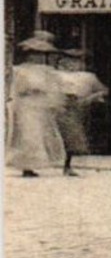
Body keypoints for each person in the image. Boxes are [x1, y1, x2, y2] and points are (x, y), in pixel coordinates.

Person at [6, 32, 68, 178]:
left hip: (41, 105)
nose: (38, 57)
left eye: (41, 54)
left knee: (42, 134)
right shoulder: (20, 70)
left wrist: (54, 102)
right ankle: (26, 166)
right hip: (26, 105)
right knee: (28, 134)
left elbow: (54, 88)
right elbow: (16, 88)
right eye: (35, 54)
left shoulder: (47, 71)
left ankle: (36, 164)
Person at [52, 53, 108, 177]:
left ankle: (67, 165)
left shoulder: (87, 77)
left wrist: (90, 98)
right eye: (68, 62)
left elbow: (103, 90)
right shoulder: (55, 75)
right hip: (57, 105)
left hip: (75, 107)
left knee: (71, 135)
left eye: (76, 62)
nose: (72, 65)